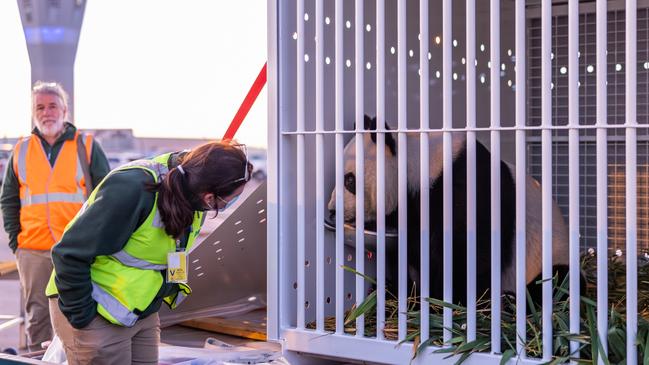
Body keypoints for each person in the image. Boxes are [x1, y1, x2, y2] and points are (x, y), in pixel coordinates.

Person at [45, 141, 253, 365]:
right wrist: (83, 317)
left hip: (141, 311)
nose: (231, 203)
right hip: (98, 313)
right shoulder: (133, 189)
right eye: (231, 198)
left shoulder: (193, 195)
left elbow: (173, 251)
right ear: (209, 197)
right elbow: (69, 254)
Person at [0, 81, 110, 350]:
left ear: (65, 109)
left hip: (76, 249)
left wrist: (97, 242)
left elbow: (108, 197)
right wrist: (17, 243)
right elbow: (9, 199)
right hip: (32, 250)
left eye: (52, 106)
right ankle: (40, 356)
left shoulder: (85, 146)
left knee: (78, 311)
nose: (46, 112)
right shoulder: (21, 149)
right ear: (33, 112)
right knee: (38, 315)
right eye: (40, 107)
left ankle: (77, 358)